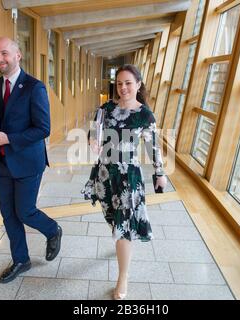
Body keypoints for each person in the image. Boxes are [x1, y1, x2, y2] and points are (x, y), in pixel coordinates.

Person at [0, 37, 62, 284]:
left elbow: (43, 128)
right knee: (8, 215)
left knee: (25, 211)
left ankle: (52, 230)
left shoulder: (34, 87)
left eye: (4, 53)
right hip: (2, 164)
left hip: (27, 162)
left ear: (18, 56)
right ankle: (20, 260)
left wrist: (8, 138)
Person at [88, 64, 167, 300]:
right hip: (105, 174)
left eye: (128, 83)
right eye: (119, 83)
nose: (123, 88)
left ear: (138, 84)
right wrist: (92, 141)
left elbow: (154, 147)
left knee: (123, 227)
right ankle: (121, 246)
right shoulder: (105, 109)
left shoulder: (145, 115)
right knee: (112, 219)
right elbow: (94, 133)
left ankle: (123, 276)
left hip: (128, 178)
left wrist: (159, 173)